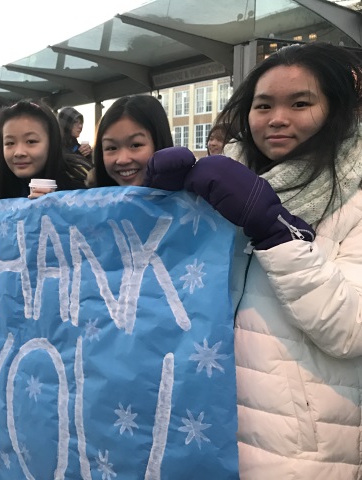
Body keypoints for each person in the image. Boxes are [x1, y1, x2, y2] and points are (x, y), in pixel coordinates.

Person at [145, 43, 362, 479]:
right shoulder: (222, 182)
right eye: (263, 105)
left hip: (296, 446)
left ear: (337, 110)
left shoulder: (355, 197)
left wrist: (277, 232)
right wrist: (160, 207)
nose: (277, 118)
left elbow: (350, 329)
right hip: (200, 425)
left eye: (300, 103)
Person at [0, 100, 87, 199]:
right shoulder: (2, 185)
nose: (19, 153)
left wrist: (57, 203)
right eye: (10, 143)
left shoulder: (80, 181)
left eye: (31, 141)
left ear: (52, 142)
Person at [91, 94, 173, 187]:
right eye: (112, 148)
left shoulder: (186, 194)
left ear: (159, 143)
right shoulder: (87, 195)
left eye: (136, 145)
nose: (123, 160)